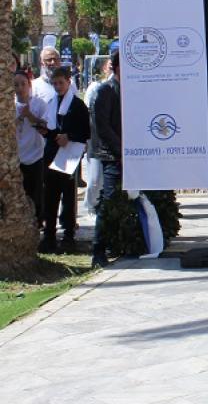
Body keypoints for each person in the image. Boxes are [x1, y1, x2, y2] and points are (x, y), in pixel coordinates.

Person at [39, 66, 90, 254]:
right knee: (50, 197)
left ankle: (68, 236)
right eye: (55, 83)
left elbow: (85, 131)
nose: (58, 87)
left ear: (69, 82)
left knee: (68, 197)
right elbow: (52, 129)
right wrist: (45, 131)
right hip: (52, 154)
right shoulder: (52, 102)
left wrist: (69, 136)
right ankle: (49, 236)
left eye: (61, 83)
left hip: (69, 155)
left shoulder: (77, 105)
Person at [90, 51, 122, 268]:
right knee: (108, 200)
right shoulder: (105, 90)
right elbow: (102, 127)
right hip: (112, 156)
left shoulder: (129, 89)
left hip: (125, 155)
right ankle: (98, 250)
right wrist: (121, 151)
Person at [14, 71, 49, 227]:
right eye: (16, 85)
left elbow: (45, 127)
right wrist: (21, 117)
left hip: (35, 155)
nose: (20, 88)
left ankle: (37, 223)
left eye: (23, 84)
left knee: (36, 193)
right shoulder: (8, 105)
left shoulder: (39, 104)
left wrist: (29, 115)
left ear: (29, 85)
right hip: (16, 157)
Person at [83, 58, 113, 215]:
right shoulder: (95, 87)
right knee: (94, 180)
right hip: (95, 141)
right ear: (104, 69)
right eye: (110, 66)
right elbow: (86, 113)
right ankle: (91, 206)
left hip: (112, 141)